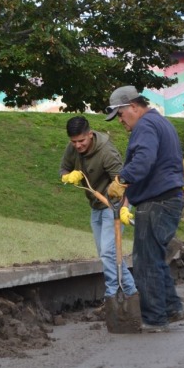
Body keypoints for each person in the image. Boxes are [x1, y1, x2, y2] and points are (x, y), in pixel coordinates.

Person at [105, 86, 184, 332]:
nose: (120, 121)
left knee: (146, 263)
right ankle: (172, 307)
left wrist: (121, 180)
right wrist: (129, 197)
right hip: (167, 199)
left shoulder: (145, 126)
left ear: (133, 106)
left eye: (120, 115)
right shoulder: (159, 123)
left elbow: (143, 160)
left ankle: (154, 318)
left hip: (157, 202)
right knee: (154, 258)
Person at [60, 116, 138, 301]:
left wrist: (124, 209)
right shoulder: (72, 148)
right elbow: (63, 168)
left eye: (81, 141)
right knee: (107, 255)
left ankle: (112, 295)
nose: (78, 146)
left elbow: (125, 183)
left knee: (108, 253)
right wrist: (68, 176)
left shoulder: (106, 152)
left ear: (90, 134)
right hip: (96, 205)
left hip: (114, 205)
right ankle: (131, 294)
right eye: (74, 142)